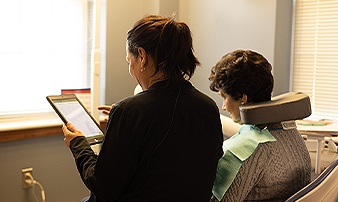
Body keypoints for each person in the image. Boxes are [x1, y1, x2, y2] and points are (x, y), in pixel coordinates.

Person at [62, 15, 223, 202]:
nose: (131, 69)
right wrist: (128, 118)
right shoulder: (208, 108)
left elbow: (103, 187)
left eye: (129, 61)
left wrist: (78, 144)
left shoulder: (130, 112)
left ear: (142, 56)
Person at [208, 50, 311, 202]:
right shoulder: (290, 132)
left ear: (243, 97)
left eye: (224, 97)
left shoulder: (244, 153)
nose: (223, 106)